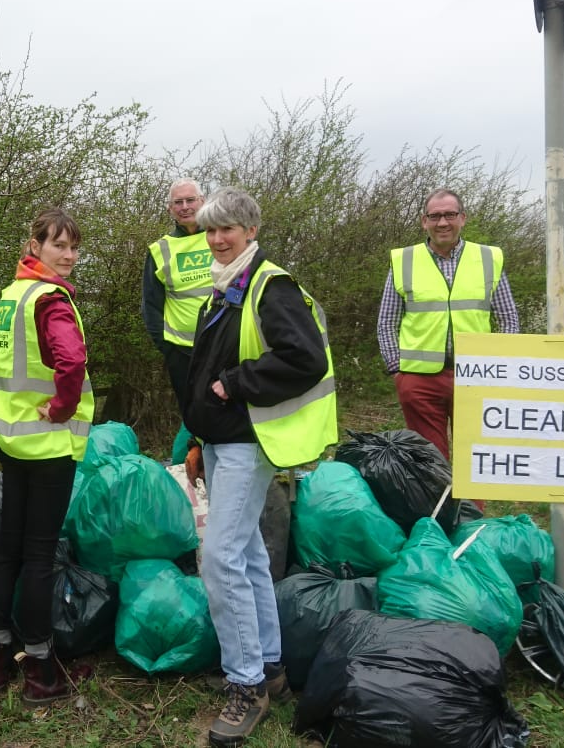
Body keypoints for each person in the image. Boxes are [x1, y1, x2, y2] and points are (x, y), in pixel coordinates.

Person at [182, 189, 336, 746]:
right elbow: (205, 372)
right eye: (211, 231)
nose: (219, 239)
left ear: (250, 229)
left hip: (251, 441)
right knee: (245, 556)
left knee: (218, 558)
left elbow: (304, 358)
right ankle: (269, 667)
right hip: (223, 440)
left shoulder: (272, 286)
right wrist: (198, 436)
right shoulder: (226, 288)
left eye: (229, 229)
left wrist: (237, 382)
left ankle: (245, 685)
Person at [0, 208, 95, 706]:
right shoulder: (50, 300)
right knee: (40, 555)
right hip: (47, 444)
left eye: (73, 247)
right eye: (58, 245)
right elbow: (72, 360)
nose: (67, 256)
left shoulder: (10, 296)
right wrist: (64, 406)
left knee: (9, 549)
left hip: (11, 441)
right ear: (35, 245)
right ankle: (41, 671)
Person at [377, 188, 519, 469]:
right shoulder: (404, 260)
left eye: (450, 215)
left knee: (477, 456)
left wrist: (502, 368)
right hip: (419, 380)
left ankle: (472, 515)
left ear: (463, 218)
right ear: (424, 221)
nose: (443, 223)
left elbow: (509, 318)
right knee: (429, 460)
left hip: (477, 376)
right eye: (435, 216)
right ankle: (437, 513)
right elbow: (386, 321)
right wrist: (398, 370)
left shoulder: (489, 258)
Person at [143, 178, 210, 414]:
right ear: (170, 209)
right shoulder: (159, 250)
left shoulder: (222, 238)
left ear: (203, 202)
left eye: (190, 200)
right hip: (182, 353)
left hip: (227, 346)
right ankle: (196, 450)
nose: (185, 207)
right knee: (194, 413)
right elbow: (151, 306)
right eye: (178, 202)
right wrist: (167, 348)